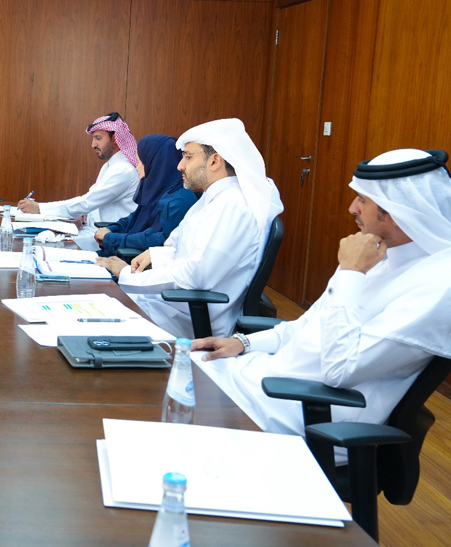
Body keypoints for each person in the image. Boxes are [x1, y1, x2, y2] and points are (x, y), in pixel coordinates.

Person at [192, 149, 451, 438]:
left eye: (363, 200)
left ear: (398, 211)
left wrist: (351, 273)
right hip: (264, 380)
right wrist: (243, 343)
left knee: (166, 403)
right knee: (172, 367)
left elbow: (339, 370)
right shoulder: (378, 253)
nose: (353, 208)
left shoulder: (437, 285)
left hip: (304, 414)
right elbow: (308, 327)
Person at [97, 118, 283, 339]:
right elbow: (181, 246)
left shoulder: (233, 207)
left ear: (214, 161)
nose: (179, 166)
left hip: (188, 318)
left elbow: (196, 276)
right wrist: (154, 255)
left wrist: (127, 274)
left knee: (94, 318)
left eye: (188, 157)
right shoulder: (211, 199)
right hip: (172, 304)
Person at [18, 113, 139, 226]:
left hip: (106, 236)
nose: (93, 145)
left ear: (115, 139)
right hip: (93, 228)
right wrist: (82, 214)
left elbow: (87, 202)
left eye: (98, 138)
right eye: (93, 139)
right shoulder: (111, 166)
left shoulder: (123, 170)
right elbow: (93, 200)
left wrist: (39, 208)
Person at [94, 134, 198, 257]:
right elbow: (133, 218)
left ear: (155, 164)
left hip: (134, 265)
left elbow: (157, 240)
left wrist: (111, 238)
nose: (137, 167)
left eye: (140, 162)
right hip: (122, 255)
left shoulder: (178, 201)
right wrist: (110, 229)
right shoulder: (156, 189)